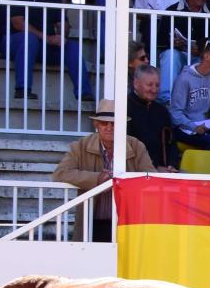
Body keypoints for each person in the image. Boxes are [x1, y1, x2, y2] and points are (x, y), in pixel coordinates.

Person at [52, 100, 151, 240]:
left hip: (126, 223)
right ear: (96, 124)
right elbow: (60, 173)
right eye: (104, 123)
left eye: (114, 123)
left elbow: (149, 178)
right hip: (91, 223)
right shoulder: (80, 146)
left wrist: (123, 183)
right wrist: (96, 179)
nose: (109, 127)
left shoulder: (137, 146)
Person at [2, 0, 90, 100]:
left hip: (43, 47)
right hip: (16, 44)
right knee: (29, 39)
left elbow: (61, 21)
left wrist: (62, 35)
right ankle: (22, 89)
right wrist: (47, 38)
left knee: (72, 46)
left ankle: (84, 93)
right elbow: (18, 23)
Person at [126, 63, 175, 168]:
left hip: (163, 171)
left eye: (157, 85)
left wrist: (171, 165)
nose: (154, 90)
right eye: (149, 85)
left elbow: (171, 143)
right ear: (136, 83)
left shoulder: (162, 111)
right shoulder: (125, 109)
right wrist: (155, 167)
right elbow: (127, 148)